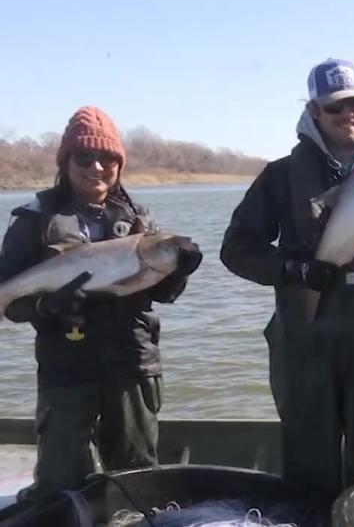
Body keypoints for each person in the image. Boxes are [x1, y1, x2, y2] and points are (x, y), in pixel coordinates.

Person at [219, 58, 354, 510]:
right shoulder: (280, 176)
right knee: (308, 467)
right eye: (337, 106)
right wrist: (294, 270)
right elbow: (236, 249)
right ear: (315, 111)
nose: (349, 115)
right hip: (305, 345)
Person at [0, 106, 203, 503]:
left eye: (108, 158)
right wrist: (46, 307)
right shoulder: (33, 220)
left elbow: (159, 293)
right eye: (84, 157)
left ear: (119, 164)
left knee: (136, 477)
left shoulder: (140, 220)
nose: (97, 167)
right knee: (60, 484)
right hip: (65, 366)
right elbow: (10, 301)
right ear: (65, 162)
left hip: (132, 361)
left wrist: (178, 271)